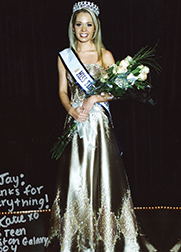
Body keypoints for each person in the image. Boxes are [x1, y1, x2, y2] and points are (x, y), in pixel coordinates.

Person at [47, 2, 142, 251]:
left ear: (95, 27)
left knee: (104, 176)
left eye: (88, 24)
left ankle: (108, 238)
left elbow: (116, 91)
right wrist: (71, 110)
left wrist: (91, 99)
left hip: (98, 123)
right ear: (72, 26)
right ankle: (74, 240)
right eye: (79, 24)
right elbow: (61, 90)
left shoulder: (104, 55)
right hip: (76, 122)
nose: (83, 29)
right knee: (75, 178)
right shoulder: (64, 57)